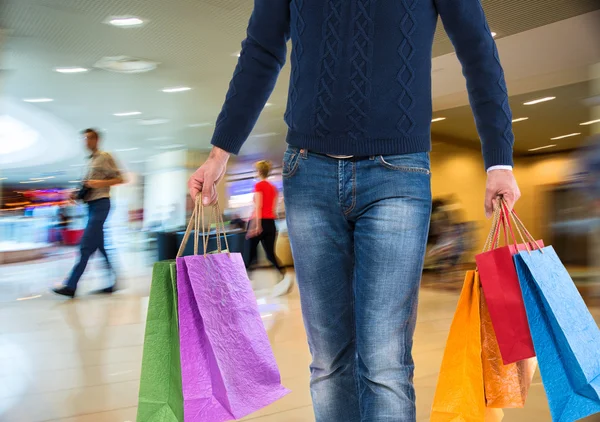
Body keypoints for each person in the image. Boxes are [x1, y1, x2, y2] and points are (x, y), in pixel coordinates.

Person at [188, 1, 520, 420]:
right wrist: (220, 154)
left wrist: (499, 161)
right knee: (328, 360)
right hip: (308, 171)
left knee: (384, 361)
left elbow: (475, 47)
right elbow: (261, 49)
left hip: (397, 174)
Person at [53, 129, 124, 298]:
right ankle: (114, 282)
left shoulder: (104, 156)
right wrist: (76, 193)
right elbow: (88, 185)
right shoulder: (90, 161)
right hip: (91, 206)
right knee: (100, 246)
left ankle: (71, 286)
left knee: (85, 246)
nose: (85, 141)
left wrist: (97, 183)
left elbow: (120, 179)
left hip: (101, 204)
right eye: (84, 138)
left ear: (97, 139)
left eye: (89, 138)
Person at [245, 160, 294, 296]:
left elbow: (258, 206)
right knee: (270, 254)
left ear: (259, 172)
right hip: (271, 223)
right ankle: (285, 276)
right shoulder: (273, 188)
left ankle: (244, 284)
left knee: (249, 253)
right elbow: (273, 208)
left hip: (258, 222)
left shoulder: (259, 185)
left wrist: (256, 226)